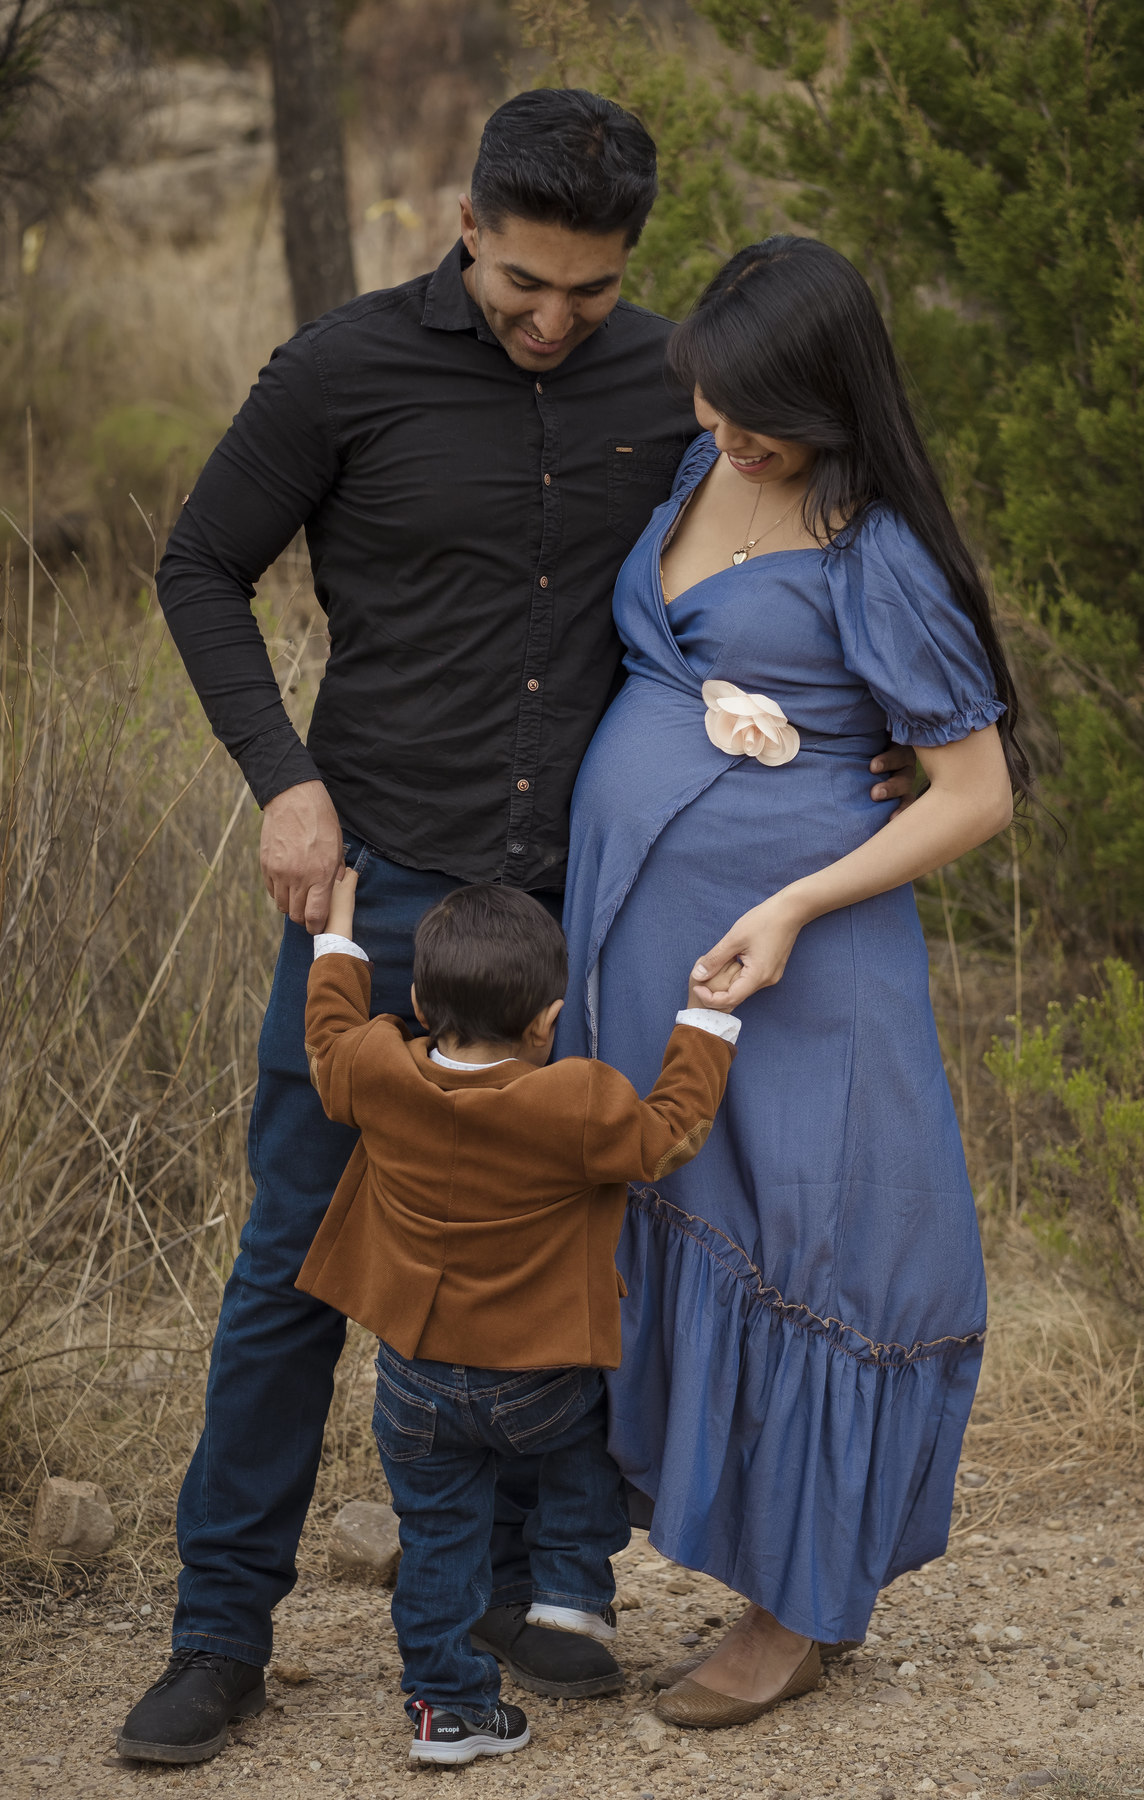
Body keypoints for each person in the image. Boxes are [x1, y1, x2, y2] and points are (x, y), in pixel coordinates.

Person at [117, 88, 915, 1764]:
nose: (558, 321)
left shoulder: (672, 389)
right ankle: (220, 1633)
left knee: (572, 1244)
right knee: (296, 1255)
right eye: (525, 282)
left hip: (585, 909)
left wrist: (868, 728)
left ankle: (512, 1593)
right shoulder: (339, 371)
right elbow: (199, 568)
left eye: (595, 292)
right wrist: (280, 778)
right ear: (466, 224)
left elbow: (797, 534)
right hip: (382, 879)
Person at [558, 234, 1032, 1729]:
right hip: (646, 941)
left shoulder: (874, 545)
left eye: (764, 417)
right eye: (717, 405)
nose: (731, 436)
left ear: (836, 397)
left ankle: (800, 1607)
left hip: (794, 962)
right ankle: (629, 1557)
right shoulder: (700, 471)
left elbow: (975, 791)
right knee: (685, 1216)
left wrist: (795, 904)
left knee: (808, 1245)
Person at [298, 872, 739, 1766]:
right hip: (538, 1381)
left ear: (421, 1001)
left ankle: (448, 1715)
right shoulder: (573, 1101)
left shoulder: (379, 1071)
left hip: (415, 1384)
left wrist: (337, 935)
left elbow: (327, 1039)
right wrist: (704, 1022)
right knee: (588, 1431)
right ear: (547, 1021)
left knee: (435, 1543)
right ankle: (572, 1585)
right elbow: (669, 1134)